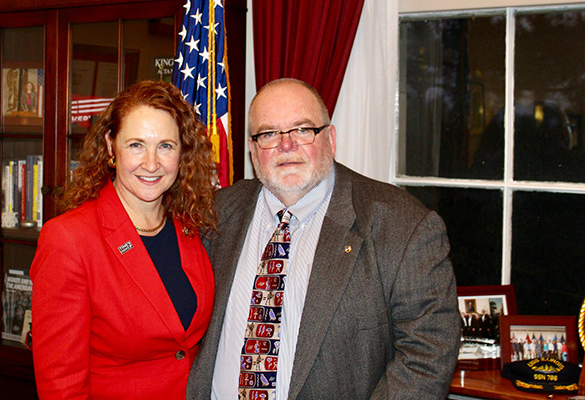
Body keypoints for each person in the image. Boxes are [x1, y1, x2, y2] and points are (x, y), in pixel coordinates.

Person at [187, 78, 461, 399]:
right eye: (269, 133)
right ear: (252, 148)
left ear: (330, 138)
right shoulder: (216, 214)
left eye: (303, 129)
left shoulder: (402, 225)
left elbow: (427, 354)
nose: (286, 145)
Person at [31, 80, 217, 399]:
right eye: (136, 145)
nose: (151, 163)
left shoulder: (192, 224)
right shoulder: (69, 239)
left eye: (165, 146)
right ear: (110, 147)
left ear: (182, 152)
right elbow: (61, 383)